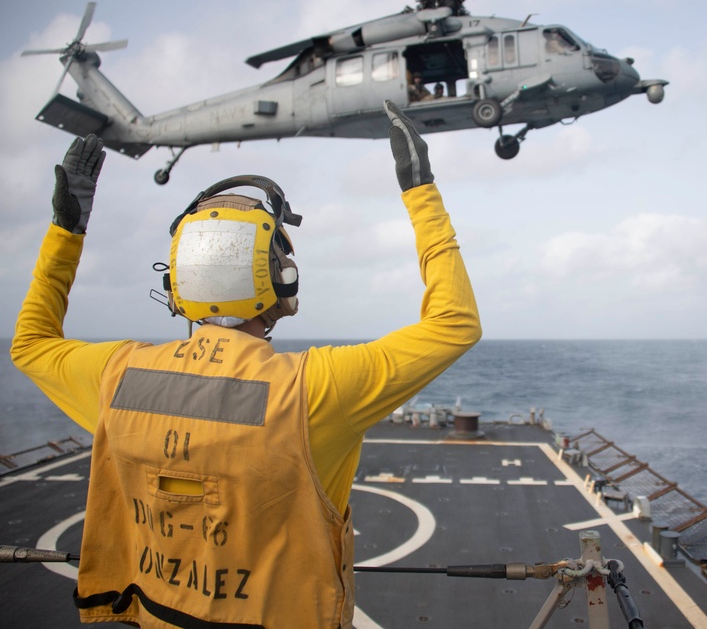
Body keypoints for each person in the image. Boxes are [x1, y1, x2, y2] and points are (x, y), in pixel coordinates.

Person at [10, 100, 481, 628]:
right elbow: (455, 323)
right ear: (282, 279)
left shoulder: (119, 377)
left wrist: (65, 232)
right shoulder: (313, 388)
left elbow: (29, 344)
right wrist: (420, 190)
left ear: (178, 285)